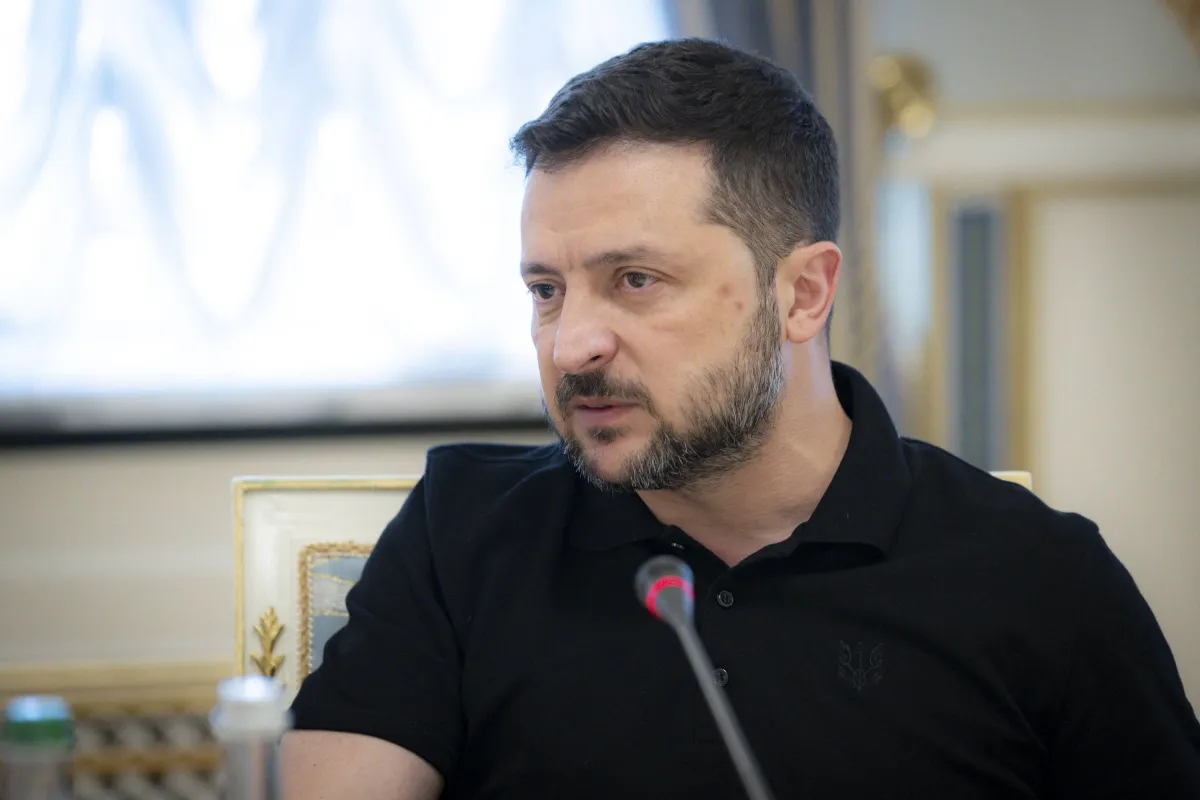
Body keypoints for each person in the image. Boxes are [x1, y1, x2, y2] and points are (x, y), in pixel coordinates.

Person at [279, 38, 1200, 799]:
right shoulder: (461, 530)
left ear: (803, 293)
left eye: (635, 280)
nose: (570, 346)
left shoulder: (1039, 577)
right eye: (547, 290)